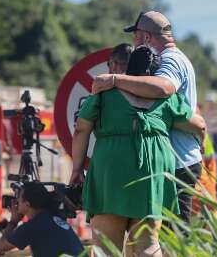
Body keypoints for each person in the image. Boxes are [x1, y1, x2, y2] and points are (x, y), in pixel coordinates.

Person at [70, 46, 205, 256]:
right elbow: (198, 125)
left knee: (105, 249)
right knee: (148, 245)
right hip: (151, 174)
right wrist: (201, 143)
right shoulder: (167, 97)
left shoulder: (105, 94)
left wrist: (76, 170)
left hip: (110, 172)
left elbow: (81, 129)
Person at [92, 11, 204, 221]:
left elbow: (163, 88)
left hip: (176, 162)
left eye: (135, 37)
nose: (134, 44)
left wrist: (115, 80)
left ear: (146, 37)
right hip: (180, 158)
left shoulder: (170, 60)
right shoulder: (178, 58)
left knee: (174, 237)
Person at [0, 182, 84, 257]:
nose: (16, 201)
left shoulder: (32, 226)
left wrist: (13, 221)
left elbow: (1, 247)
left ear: (27, 204)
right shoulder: (52, 216)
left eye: (18, 198)